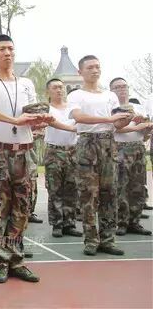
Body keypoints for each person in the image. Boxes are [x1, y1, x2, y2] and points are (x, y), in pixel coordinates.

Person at [0, 34, 52, 284]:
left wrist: (40, 121)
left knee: (22, 208)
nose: (7, 53)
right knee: (0, 208)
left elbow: (32, 113)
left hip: (25, 153)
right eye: (1, 49)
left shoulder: (26, 83)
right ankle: (1, 262)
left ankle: (16, 260)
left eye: (10, 48)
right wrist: (15, 121)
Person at [67, 55, 133, 256]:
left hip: (108, 143)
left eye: (97, 67)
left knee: (109, 193)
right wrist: (109, 119)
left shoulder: (110, 96)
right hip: (87, 143)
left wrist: (127, 118)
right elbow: (79, 117)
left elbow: (117, 124)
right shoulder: (76, 95)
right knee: (88, 194)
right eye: (90, 67)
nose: (95, 70)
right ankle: (91, 240)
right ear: (80, 72)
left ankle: (107, 239)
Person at [109, 77, 152, 235]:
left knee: (138, 187)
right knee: (121, 187)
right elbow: (115, 129)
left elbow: (145, 134)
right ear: (111, 91)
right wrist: (138, 127)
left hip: (138, 148)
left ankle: (134, 221)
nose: (122, 89)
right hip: (120, 148)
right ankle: (122, 222)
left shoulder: (138, 107)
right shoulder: (111, 109)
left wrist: (146, 127)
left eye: (124, 86)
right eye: (117, 87)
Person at [43, 78, 82, 238]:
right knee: (55, 189)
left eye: (61, 87)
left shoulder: (73, 108)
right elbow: (51, 123)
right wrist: (72, 128)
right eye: (55, 87)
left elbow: (81, 123)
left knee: (71, 188)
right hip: (54, 151)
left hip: (72, 151)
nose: (59, 90)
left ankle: (69, 223)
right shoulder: (46, 109)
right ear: (48, 91)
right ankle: (57, 224)